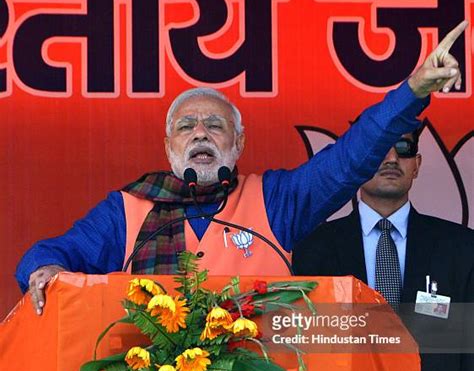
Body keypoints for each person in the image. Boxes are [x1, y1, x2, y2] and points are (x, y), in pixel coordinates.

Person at [16, 22, 468, 316]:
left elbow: (349, 159)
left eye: (215, 125)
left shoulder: (277, 201)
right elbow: (52, 257)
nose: (200, 134)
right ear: (168, 143)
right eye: (186, 126)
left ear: (239, 143)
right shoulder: (128, 210)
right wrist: (45, 269)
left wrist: (412, 91)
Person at [292, 128, 474, 371]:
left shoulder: (461, 249)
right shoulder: (314, 250)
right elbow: (307, 361)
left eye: (404, 149)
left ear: (418, 165)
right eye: (378, 149)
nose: (391, 159)